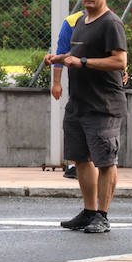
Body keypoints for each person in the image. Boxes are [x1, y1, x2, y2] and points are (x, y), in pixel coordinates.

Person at [44, 0, 127, 234]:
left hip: (103, 106)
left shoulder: (111, 23)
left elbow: (119, 61)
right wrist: (60, 58)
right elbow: (77, 54)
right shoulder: (81, 21)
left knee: (104, 162)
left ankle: (102, 214)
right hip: (78, 104)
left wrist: (82, 63)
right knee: (80, 159)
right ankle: (89, 211)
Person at [50, 10, 84, 179]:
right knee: (74, 120)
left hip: (102, 86)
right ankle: (72, 164)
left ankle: (93, 164)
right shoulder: (71, 21)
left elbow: (116, 51)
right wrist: (56, 83)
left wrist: (123, 70)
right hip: (78, 83)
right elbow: (61, 52)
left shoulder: (109, 20)